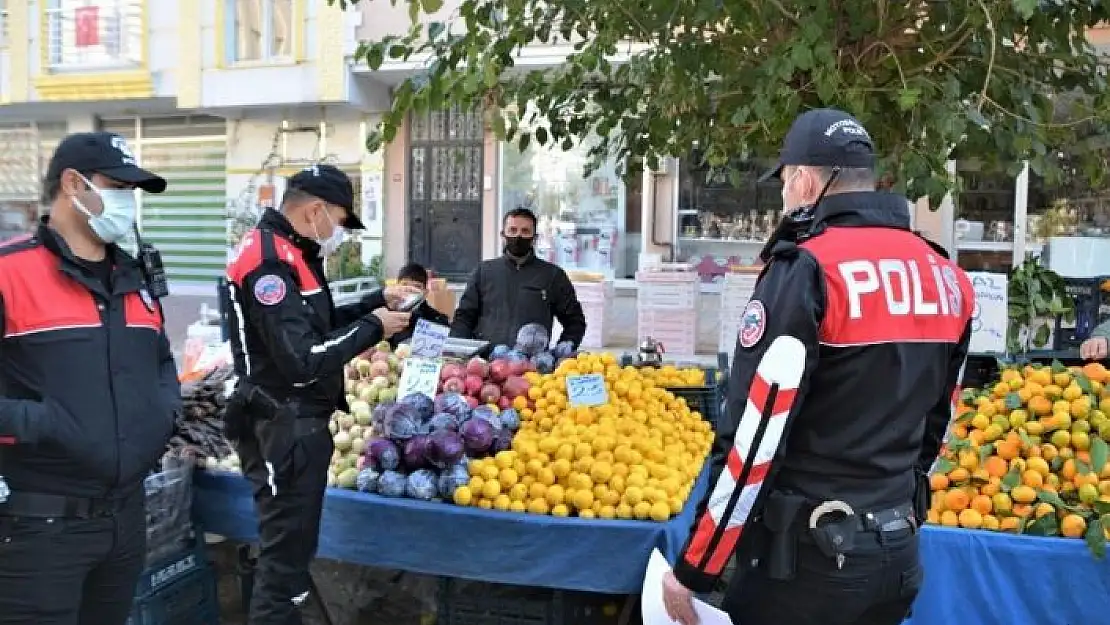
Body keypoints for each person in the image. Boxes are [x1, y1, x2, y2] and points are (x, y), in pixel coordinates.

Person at [661, 109, 975, 625]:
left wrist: (696, 568)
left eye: (785, 180)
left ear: (805, 180)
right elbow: (940, 420)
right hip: (897, 551)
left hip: (807, 565)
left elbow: (755, 437)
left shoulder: (809, 269)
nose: (784, 193)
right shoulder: (945, 275)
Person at [0, 132, 180, 624]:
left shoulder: (133, 277)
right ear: (72, 185)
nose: (128, 200)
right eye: (116, 185)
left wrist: (164, 412)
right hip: (38, 526)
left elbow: (162, 361)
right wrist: (43, 423)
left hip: (123, 520)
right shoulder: (9, 273)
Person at [224, 164, 415, 625]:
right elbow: (301, 358)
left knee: (293, 550)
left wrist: (373, 302)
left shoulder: (292, 252)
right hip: (281, 427)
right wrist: (374, 328)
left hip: (294, 427)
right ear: (315, 211)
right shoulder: (270, 262)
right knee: (283, 561)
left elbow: (317, 321)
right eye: (341, 220)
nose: (341, 234)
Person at [450, 207, 587, 349]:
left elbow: (575, 321)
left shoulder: (553, 275)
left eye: (525, 231)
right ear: (503, 235)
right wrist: (460, 352)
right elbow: (464, 318)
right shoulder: (483, 272)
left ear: (535, 238)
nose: (518, 236)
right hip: (486, 363)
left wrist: (565, 346)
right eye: (513, 230)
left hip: (532, 366)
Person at [387, 262, 451, 348]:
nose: (410, 290)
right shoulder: (385, 316)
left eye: (417, 287)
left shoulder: (438, 321)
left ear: (425, 292)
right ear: (396, 287)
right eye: (405, 285)